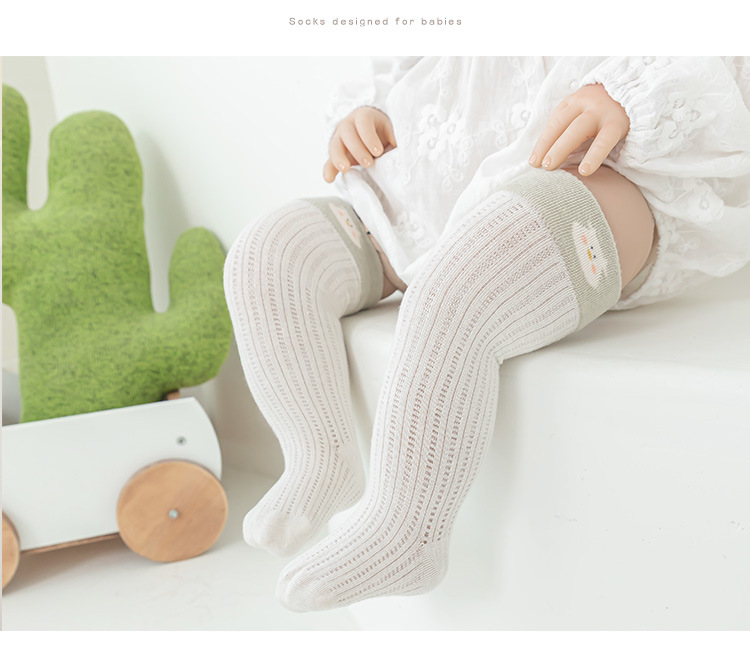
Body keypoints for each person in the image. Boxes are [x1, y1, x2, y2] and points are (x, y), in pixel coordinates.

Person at [223, 57, 750, 612]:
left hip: (595, 169)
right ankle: (318, 455)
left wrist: (631, 90)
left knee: (459, 289)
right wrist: (368, 109)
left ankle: (407, 530)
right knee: (268, 256)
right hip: (428, 183)